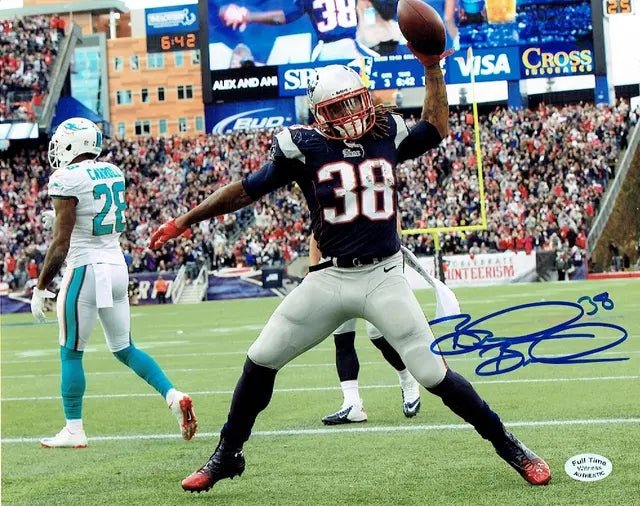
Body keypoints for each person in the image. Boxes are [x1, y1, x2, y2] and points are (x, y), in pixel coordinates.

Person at [151, 45, 550, 493]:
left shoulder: (386, 133)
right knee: (261, 358)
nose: (353, 114)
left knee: (432, 373)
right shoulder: (303, 147)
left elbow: (435, 127)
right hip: (330, 277)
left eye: (356, 101)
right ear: (320, 115)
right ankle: (228, 454)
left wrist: (432, 68)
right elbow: (246, 190)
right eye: (339, 107)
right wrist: (185, 220)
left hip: (383, 276)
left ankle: (510, 446)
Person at [30, 118, 198, 448]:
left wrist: (39, 287)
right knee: (125, 348)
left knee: (70, 353)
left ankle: (74, 429)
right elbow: (91, 213)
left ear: (72, 144)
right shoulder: (112, 171)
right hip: (116, 266)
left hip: (85, 269)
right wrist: (61, 217)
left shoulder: (65, 178)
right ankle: (172, 395)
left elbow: (61, 243)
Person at [309, 236, 421, 424]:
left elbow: (394, 227)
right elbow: (315, 236)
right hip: (337, 272)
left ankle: (407, 378)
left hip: (372, 270)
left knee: (377, 334)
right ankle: (352, 404)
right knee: (342, 337)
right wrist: (314, 271)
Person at [219, 0, 379, 62]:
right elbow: (371, 10)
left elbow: (282, 17)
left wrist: (248, 16)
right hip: (351, 48)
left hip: (327, 51)